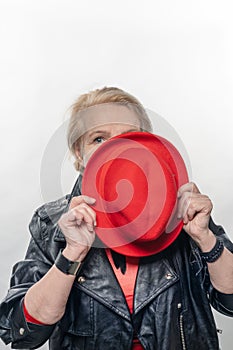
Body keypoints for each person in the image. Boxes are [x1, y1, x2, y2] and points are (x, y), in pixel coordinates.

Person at [0, 87, 233, 350]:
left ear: (146, 146)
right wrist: (71, 255)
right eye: (99, 139)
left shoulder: (182, 210)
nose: (114, 150)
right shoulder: (50, 222)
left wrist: (206, 240)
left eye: (127, 138)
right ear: (79, 151)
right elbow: (21, 333)